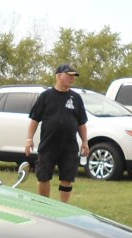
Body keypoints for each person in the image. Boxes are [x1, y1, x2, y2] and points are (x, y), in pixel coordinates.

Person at [24, 64, 90, 202]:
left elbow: (81, 123)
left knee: (67, 178)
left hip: (69, 146)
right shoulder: (46, 96)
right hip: (48, 144)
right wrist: (29, 139)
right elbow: (34, 120)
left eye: (74, 76)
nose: (72, 78)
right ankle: (44, 205)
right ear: (59, 76)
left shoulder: (76, 98)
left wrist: (85, 142)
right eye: (69, 75)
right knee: (43, 176)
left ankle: (63, 208)